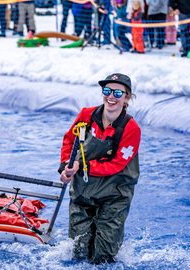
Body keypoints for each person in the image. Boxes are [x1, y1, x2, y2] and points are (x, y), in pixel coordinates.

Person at [58, 73, 141, 264]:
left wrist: (81, 167)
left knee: (102, 257)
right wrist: (66, 166)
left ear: (127, 97)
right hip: (83, 192)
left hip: (115, 194)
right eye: (107, 91)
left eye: (118, 92)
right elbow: (69, 140)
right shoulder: (87, 115)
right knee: (77, 252)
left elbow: (117, 164)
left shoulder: (131, 129)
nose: (111, 96)